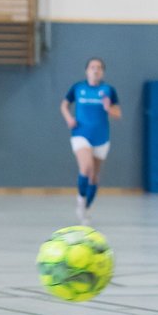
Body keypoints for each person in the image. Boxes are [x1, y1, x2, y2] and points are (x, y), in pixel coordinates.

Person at [59, 57, 120, 223]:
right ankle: (80, 198)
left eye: (99, 67)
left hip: (101, 137)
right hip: (81, 134)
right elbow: (64, 105)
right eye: (92, 67)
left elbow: (118, 114)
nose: (95, 70)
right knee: (86, 168)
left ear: (103, 72)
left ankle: (86, 208)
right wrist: (69, 119)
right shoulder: (78, 88)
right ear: (87, 70)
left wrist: (109, 109)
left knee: (94, 176)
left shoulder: (108, 90)